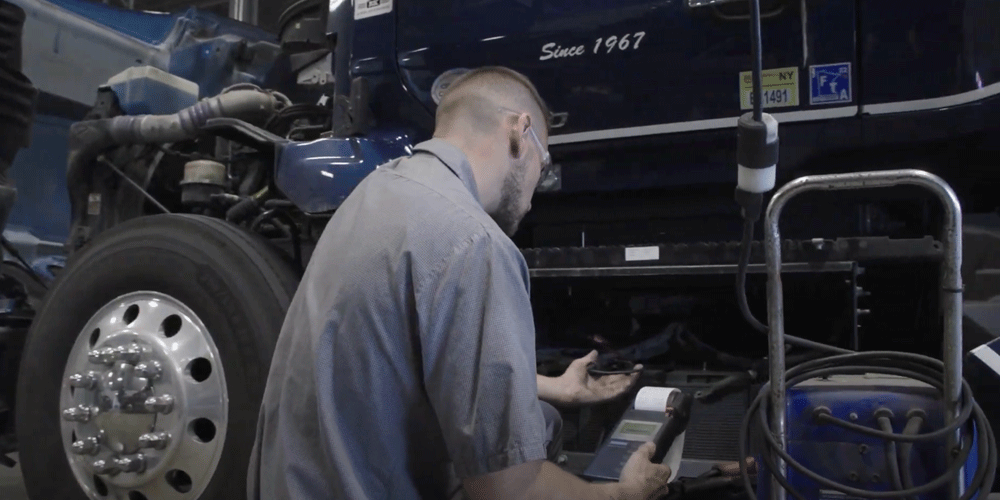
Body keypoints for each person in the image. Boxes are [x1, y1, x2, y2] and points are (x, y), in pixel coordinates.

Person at [247, 66, 673, 500]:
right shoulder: (475, 243)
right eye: (542, 165)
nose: (535, 190)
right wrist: (620, 495)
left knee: (543, 417)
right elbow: (510, 491)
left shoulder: (373, 195)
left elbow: (390, 363)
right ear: (519, 131)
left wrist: (547, 385)